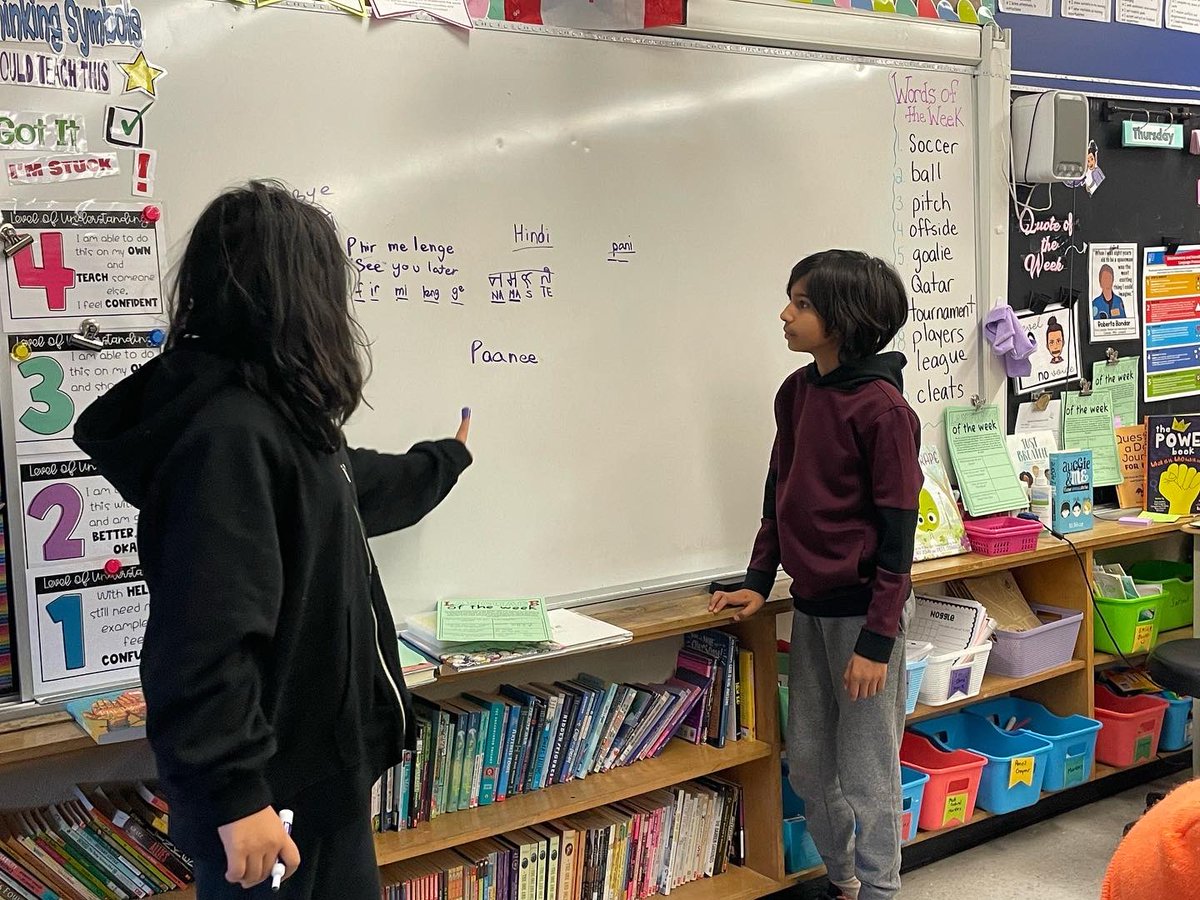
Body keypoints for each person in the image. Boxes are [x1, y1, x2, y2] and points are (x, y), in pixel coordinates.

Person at [75, 181, 474, 899]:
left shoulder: (283, 419)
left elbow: (352, 488)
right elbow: (204, 635)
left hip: (318, 783)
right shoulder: (228, 438)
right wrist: (235, 796)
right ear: (298, 296)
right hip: (268, 805)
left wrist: (440, 461)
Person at [709, 250, 921, 900]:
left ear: (844, 318)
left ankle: (882, 890)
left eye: (801, 303)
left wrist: (876, 645)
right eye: (790, 298)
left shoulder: (884, 412)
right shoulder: (796, 394)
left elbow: (896, 539)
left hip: (867, 616)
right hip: (813, 608)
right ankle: (844, 881)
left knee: (867, 771)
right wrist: (756, 576)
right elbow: (781, 493)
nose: (786, 313)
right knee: (807, 761)